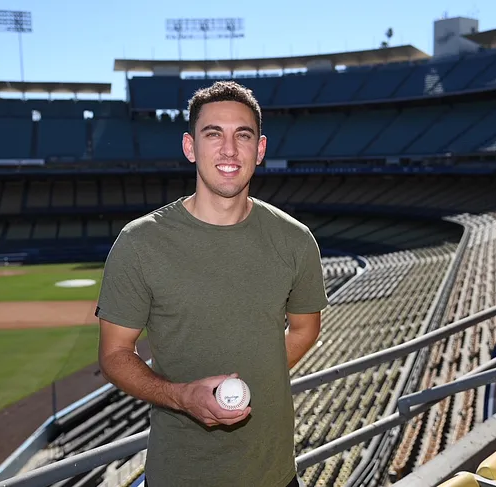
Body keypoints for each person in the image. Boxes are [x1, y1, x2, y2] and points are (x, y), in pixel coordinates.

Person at [95, 80, 329, 487]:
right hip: (180, 475)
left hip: (274, 474)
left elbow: (306, 329)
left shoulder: (296, 240)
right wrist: (183, 397)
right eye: (213, 134)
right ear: (190, 147)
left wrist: (256, 379)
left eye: (243, 135)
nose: (229, 149)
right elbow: (115, 354)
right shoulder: (140, 242)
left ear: (260, 149)